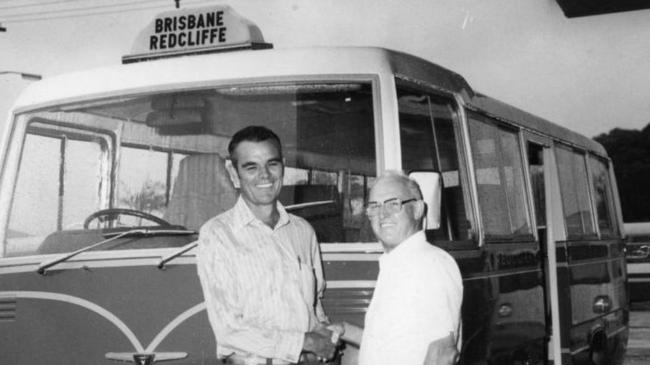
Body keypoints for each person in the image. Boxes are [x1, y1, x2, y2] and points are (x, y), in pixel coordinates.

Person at [195, 126, 342, 365]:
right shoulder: (218, 234)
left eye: (272, 164)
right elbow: (228, 330)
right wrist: (305, 342)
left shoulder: (303, 231)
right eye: (251, 166)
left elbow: (314, 309)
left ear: (283, 166)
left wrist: (326, 336)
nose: (265, 175)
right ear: (234, 173)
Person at [357, 171, 463, 365]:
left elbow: (443, 354)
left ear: (417, 209)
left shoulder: (431, 264)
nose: (382, 214)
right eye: (375, 206)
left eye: (393, 204)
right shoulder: (396, 264)